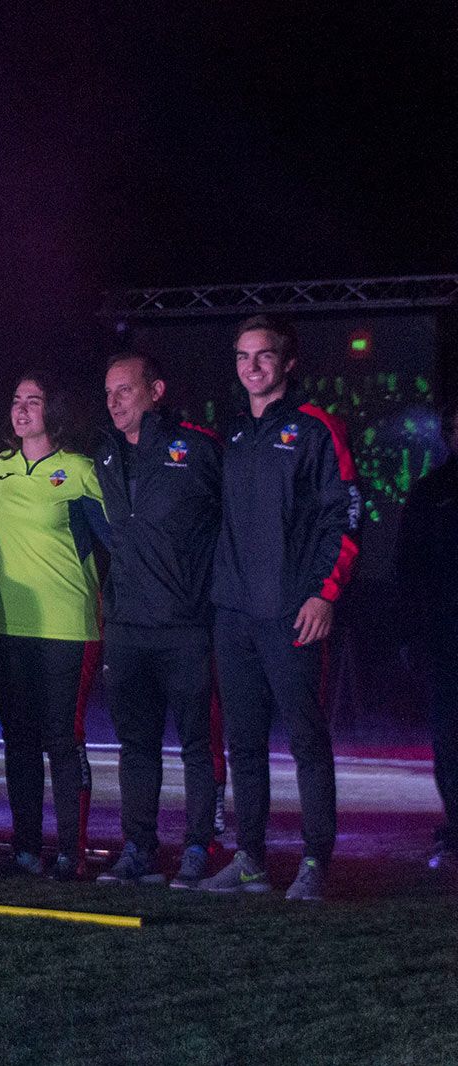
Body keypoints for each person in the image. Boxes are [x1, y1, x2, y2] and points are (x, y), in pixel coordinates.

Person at [202, 315, 361, 901]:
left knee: (306, 741)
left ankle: (316, 861)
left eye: (263, 356)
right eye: (242, 357)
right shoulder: (237, 434)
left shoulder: (317, 428)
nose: (252, 367)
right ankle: (250, 860)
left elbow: (344, 514)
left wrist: (325, 593)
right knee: (242, 743)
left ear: (287, 362)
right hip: (235, 614)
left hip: (292, 611)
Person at [91, 352, 222, 888]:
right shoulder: (104, 453)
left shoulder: (197, 447)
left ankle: (197, 847)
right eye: (108, 392)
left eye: (125, 389)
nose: (115, 401)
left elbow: (233, 522)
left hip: (185, 624)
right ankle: (139, 848)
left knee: (197, 743)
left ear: (157, 390)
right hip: (126, 627)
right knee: (136, 746)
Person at [0, 372, 109, 879]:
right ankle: (26, 849)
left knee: (62, 738)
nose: (21, 408)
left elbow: (115, 535)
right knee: (18, 739)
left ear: (51, 411)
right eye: (16, 400)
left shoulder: (77, 469)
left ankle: (71, 853)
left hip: (66, 624)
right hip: (8, 621)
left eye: (33, 400)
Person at [397, 396, 458, 873]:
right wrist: (410, 634)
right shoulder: (430, 491)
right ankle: (455, 828)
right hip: (445, 638)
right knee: (449, 740)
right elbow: (408, 568)